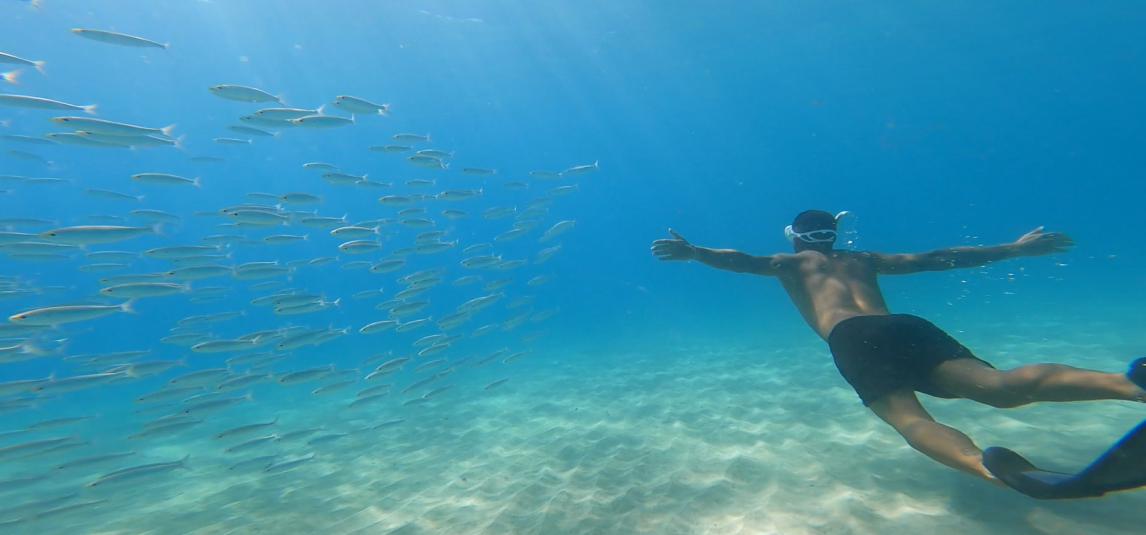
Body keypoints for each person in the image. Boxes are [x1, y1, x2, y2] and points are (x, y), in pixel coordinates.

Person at [651, 210, 1146, 500]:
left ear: (795, 236)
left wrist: (696, 253)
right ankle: (1129, 385)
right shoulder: (865, 259)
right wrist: (1014, 249)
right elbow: (939, 257)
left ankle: (986, 466)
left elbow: (743, 262)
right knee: (999, 388)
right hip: (903, 325)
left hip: (853, 338)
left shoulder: (794, 261)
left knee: (910, 419)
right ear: (835, 236)